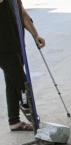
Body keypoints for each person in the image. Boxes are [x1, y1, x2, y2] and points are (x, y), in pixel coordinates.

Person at [0, 0, 45, 131]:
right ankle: (28, 107)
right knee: (23, 84)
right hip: (3, 48)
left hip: (17, 43)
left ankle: (14, 121)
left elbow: (22, 13)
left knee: (12, 83)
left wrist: (35, 35)